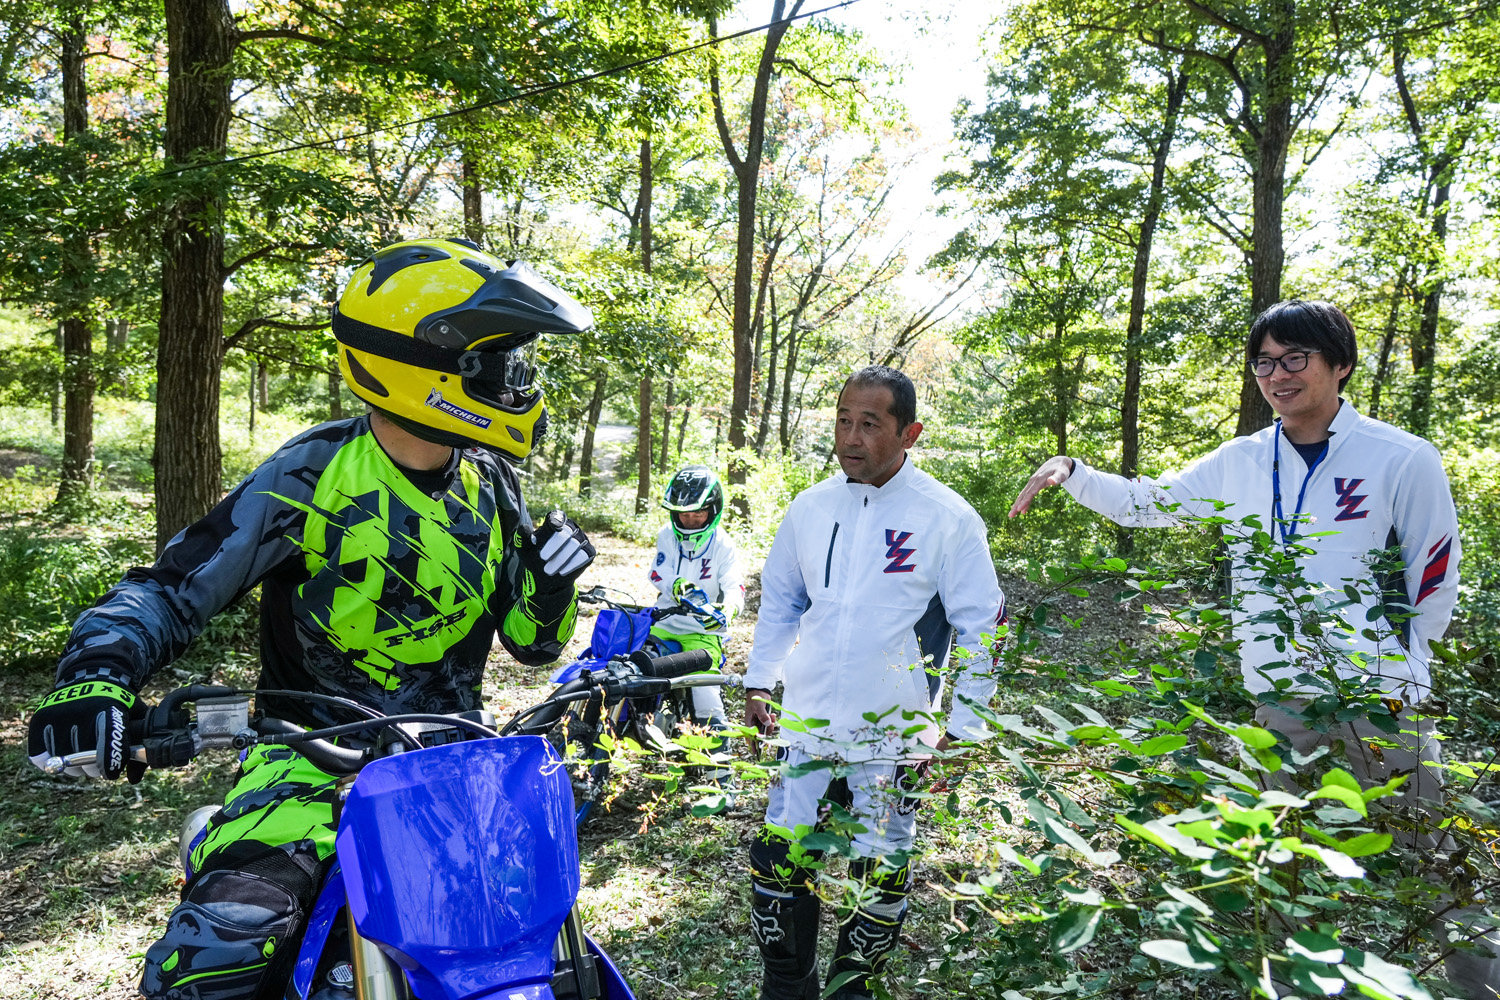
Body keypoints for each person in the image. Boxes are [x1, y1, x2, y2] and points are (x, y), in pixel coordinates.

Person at [25, 238, 599, 1000]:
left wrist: (554, 586)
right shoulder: (311, 474)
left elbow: (530, 646)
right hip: (305, 766)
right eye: (500, 368)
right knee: (210, 962)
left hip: (453, 772)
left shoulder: (494, 484)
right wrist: (95, 676)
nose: (517, 385)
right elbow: (170, 588)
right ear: (427, 369)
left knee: (549, 963)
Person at [1009, 298, 1498, 997]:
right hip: (1281, 699)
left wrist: (1409, 668)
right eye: (1264, 361)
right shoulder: (1241, 461)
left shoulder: (1402, 457)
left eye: (1295, 357)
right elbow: (1151, 503)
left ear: (1341, 366)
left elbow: (1434, 572)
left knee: (1436, 864)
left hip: (1381, 697)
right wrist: (1072, 471)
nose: (1277, 374)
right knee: (1283, 867)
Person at [743, 365, 1006, 1000]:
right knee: (779, 864)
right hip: (805, 724)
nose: (850, 438)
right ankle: (788, 985)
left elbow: (982, 627)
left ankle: (850, 989)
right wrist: (760, 680)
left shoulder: (946, 517)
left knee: (879, 869)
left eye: (869, 424)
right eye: (842, 420)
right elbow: (780, 601)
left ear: (908, 432)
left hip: (894, 733)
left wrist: (965, 729)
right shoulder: (810, 508)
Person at [647, 464, 745, 735]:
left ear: (712, 510)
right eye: (684, 514)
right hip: (662, 623)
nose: (690, 520)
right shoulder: (667, 535)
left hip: (702, 632)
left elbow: (735, 587)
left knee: (706, 696)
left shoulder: (724, 545)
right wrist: (675, 584)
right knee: (632, 670)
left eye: (698, 513)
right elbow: (657, 572)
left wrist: (726, 610)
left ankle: (720, 773)